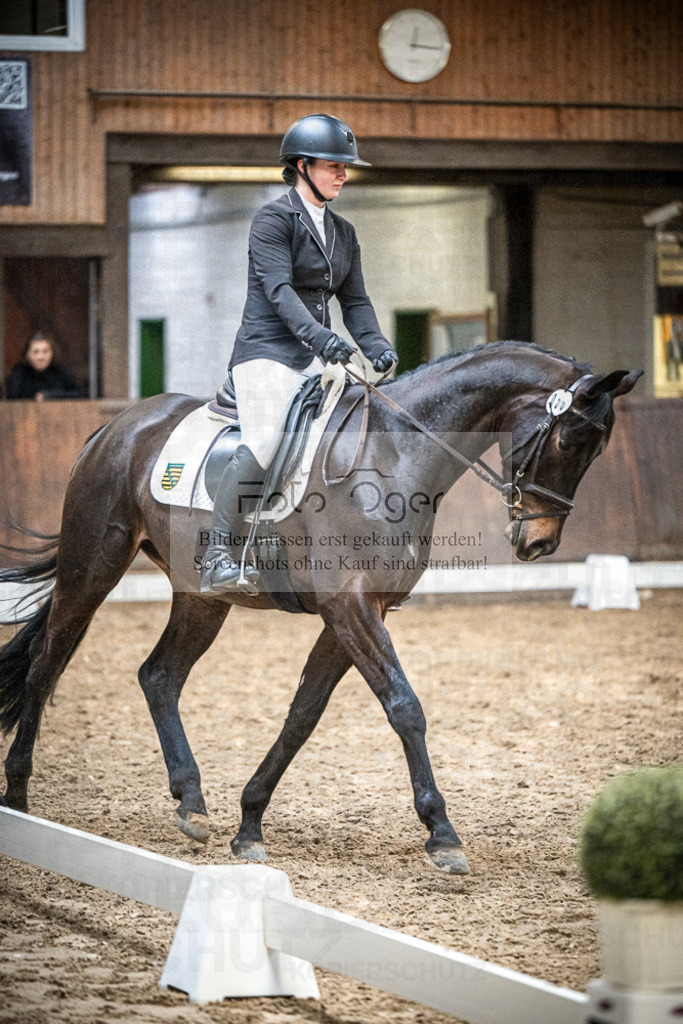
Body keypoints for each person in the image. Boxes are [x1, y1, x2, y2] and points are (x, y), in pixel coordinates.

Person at [201, 113, 398, 594]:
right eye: (335, 165)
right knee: (267, 439)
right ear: (304, 165)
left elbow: (355, 301)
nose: (344, 175)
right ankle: (216, 556)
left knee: (355, 430)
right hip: (265, 352)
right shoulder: (272, 219)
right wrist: (322, 340)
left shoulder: (344, 232)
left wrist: (377, 346)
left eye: (345, 167)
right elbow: (278, 291)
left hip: (317, 354)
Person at [5, 332, 84, 401]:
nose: (41, 357)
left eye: (45, 351)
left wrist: (51, 396)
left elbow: (80, 393)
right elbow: (12, 397)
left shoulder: (61, 371)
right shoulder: (19, 373)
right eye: (36, 352)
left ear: (52, 353)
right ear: (27, 354)